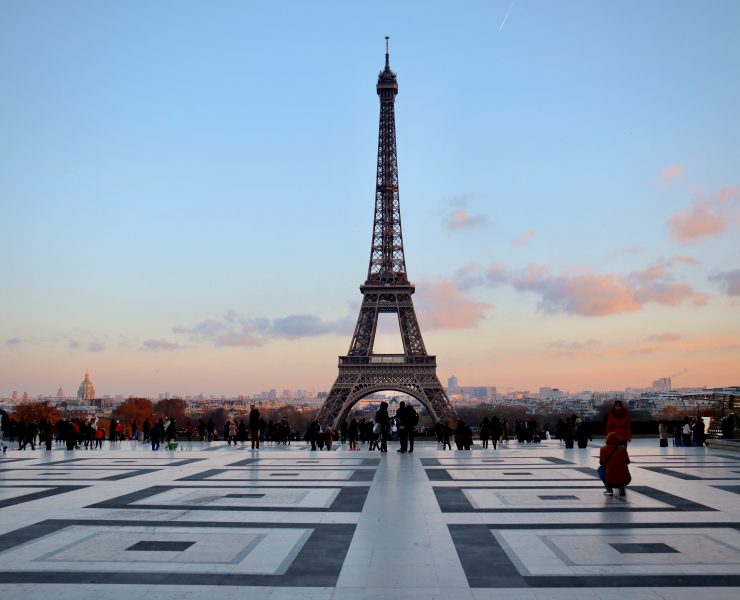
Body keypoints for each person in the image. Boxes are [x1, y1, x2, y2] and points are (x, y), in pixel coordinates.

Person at [599, 432, 631, 496]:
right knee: (621, 470)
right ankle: (621, 487)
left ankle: (609, 489)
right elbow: (628, 462)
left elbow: (602, 463)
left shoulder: (603, 449)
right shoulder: (623, 449)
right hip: (625, 479)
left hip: (610, 479)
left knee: (601, 470)